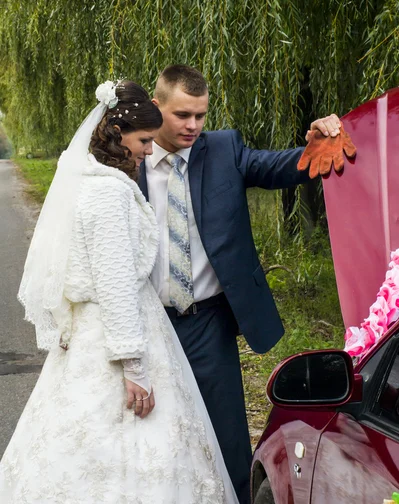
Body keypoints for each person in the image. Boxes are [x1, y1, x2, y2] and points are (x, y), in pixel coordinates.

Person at [0, 80, 240, 504]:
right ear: (117, 134)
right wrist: (135, 369)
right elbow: (116, 285)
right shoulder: (108, 193)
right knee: (131, 445)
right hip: (118, 334)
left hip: (98, 332)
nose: (149, 150)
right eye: (144, 140)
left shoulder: (92, 183)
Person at [138, 64, 343, 504]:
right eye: (182, 115)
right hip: (148, 323)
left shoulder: (224, 148)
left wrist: (316, 145)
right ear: (156, 107)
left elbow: (274, 167)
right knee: (150, 432)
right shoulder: (127, 161)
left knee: (228, 436)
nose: (193, 126)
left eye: (201, 115)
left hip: (208, 322)